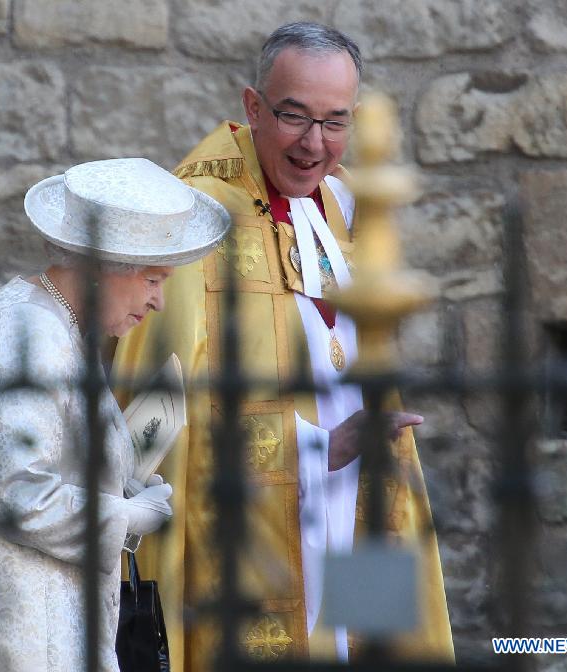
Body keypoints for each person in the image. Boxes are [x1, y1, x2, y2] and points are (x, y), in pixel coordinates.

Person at [112, 22, 454, 668]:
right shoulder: (194, 220)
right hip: (256, 528)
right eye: (295, 117)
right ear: (252, 106)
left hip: (358, 501)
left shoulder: (341, 203)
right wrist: (320, 447)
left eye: (336, 122)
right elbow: (160, 426)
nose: (315, 145)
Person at [0, 158, 231, 672]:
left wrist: (125, 490)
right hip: (16, 634)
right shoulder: (24, 333)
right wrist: (126, 516)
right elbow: (20, 497)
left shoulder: (61, 328)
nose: (159, 302)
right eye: (152, 279)